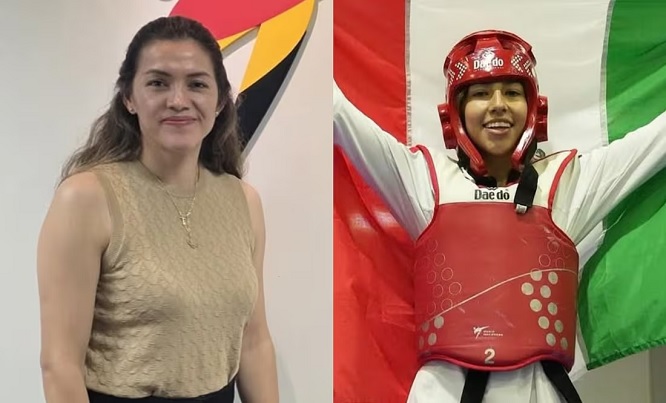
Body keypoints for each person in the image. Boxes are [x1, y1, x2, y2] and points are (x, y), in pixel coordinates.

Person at [333, 30, 666, 403]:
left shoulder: (564, 184)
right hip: (442, 393)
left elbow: (657, 141)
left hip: (540, 391)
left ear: (534, 108)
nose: (498, 105)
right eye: (480, 93)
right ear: (454, 113)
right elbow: (336, 113)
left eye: (512, 92)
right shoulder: (425, 181)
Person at [37, 16, 279, 403]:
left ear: (220, 101)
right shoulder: (86, 198)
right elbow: (60, 364)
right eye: (158, 83)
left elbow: (254, 342)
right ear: (129, 98)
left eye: (197, 84)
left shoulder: (244, 201)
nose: (178, 100)